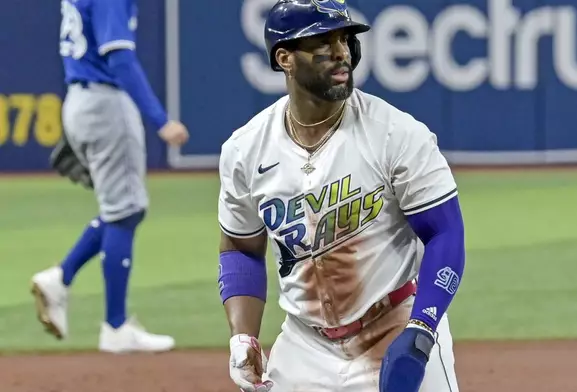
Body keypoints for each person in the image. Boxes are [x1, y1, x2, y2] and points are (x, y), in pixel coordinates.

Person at [217, 0, 466, 391]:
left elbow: (445, 234)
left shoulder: (394, 134)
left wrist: (421, 331)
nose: (341, 52)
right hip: (305, 345)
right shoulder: (245, 150)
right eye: (323, 41)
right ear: (285, 58)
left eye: (345, 39)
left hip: (396, 323)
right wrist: (242, 336)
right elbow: (240, 246)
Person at [30, 0, 189, 353]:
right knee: (125, 210)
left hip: (79, 98)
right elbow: (119, 59)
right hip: (104, 103)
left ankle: (61, 278)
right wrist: (160, 120)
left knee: (122, 209)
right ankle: (114, 326)